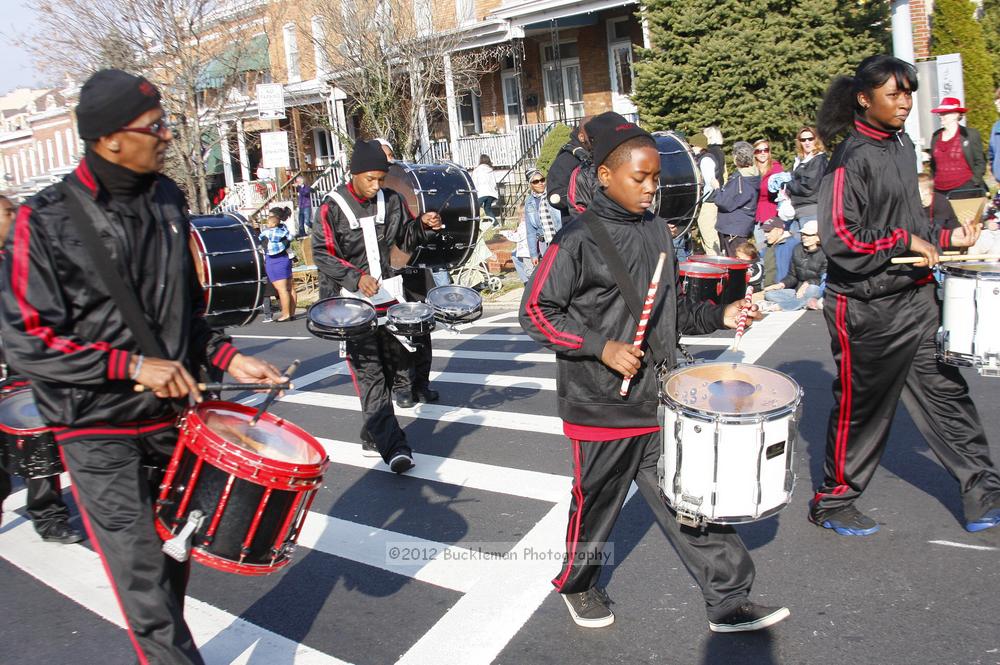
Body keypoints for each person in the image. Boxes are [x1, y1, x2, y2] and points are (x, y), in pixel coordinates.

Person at [0, 69, 285, 665]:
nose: (166, 137)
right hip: (95, 428)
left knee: (175, 560)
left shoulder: (168, 199)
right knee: (146, 587)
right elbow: (26, 343)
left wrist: (230, 357)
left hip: (173, 422)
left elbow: (183, 316)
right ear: (109, 140)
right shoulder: (43, 221)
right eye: (154, 128)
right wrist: (131, 365)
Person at [519, 111, 788, 633]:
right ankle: (579, 584)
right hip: (598, 401)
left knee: (689, 497)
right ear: (605, 176)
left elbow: (672, 312)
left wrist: (720, 315)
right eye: (639, 179)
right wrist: (600, 347)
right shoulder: (576, 239)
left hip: (658, 395)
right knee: (595, 504)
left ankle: (728, 599)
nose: (650, 189)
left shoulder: (659, 234)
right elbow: (536, 311)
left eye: (655, 180)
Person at [810, 55, 1000, 536]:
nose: (904, 103)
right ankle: (833, 502)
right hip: (864, 308)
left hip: (915, 299)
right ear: (864, 98)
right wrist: (902, 241)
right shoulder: (846, 158)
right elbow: (840, 239)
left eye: (908, 93)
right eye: (893, 94)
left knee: (948, 395)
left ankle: (984, 491)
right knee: (863, 411)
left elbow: (911, 222)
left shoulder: (901, 145)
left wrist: (945, 238)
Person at [312, 139, 442, 471]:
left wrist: (423, 227)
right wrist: (355, 278)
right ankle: (395, 449)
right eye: (370, 179)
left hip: (389, 299)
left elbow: (405, 240)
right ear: (354, 174)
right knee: (370, 375)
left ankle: (373, 434)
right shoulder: (331, 207)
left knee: (393, 369)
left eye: (381, 179)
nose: (376, 186)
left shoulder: (393, 200)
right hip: (352, 306)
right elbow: (323, 253)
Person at [0, 195, 83, 543]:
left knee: (38, 445)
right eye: (7, 212)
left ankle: (49, 517)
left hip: (26, 368)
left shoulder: (27, 258)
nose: (16, 216)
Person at [376, 138, 441, 407]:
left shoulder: (400, 191)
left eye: (391, 156)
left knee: (422, 327)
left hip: (412, 269)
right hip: (386, 274)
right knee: (396, 332)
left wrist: (425, 224)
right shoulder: (368, 197)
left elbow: (408, 232)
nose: (390, 162)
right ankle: (403, 385)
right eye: (384, 157)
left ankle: (422, 383)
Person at [773, 126, 828, 282]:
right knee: (794, 248)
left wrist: (788, 183)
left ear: (816, 139)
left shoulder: (819, 159)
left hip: (810, 210)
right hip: (797, 209)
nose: (807, 142)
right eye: (803, 139)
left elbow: (809, 186)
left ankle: (813, 286)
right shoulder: (801, 160)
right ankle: (788, 284)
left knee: (809, 248)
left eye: (810, 138)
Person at [929, 96, 987, 202]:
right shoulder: (936, 136)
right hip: (939, 191)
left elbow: (980, 162)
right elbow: (933, 165)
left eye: (945, 113)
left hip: (964, 189)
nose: (941, 116)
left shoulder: (970, 135)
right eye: (940, 113)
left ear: (956, 114)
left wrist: (974, 181)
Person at [761, 220, 826, 311]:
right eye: (803, 234)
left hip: (815, 288)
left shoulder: (825, 252)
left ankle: (783, 306)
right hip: (798, 290)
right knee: (769, 294)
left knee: (812, 289)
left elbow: (824, 278)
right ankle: (806, 302)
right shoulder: (798, 248)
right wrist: (781, 284)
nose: (804, 237)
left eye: (809, 235)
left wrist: (807, 283)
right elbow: (792, 275)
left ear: (818, 237)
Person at [714, 141, 761, 257]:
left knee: (736, 263)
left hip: (733, 229)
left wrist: (716, 188)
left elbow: (724, 202)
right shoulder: (754, 175)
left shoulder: (740, 180)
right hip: (741, 226)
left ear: (736, 158)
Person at [546, 120, 592, 222]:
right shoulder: (566, 160)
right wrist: (586, 190)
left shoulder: (600, 153)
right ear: (581, 137)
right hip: (578, 224)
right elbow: (554, 197)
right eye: (593, 135)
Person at [259, 206, 297, 322]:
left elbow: (265, 246)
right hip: (285, 259)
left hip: (276, 261)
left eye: (269, 216)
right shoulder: (283, 229)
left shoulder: (269, 233)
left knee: (282, 289)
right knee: (290, 288)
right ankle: (291, 313)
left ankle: (285, 314)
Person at [751, 139, 784, 264]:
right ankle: (762, 274)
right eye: (759, 151)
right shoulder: (752, 170)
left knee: (769, 246)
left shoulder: (776, 169)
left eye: (766, 150)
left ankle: (770, 275)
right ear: (754, 153)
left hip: (771, 212)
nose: (763, 153)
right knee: (760, 246)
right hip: (756, 214)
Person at [690, 132, 722, 255]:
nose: (692, 148)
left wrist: (700, 200)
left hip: (708, 203)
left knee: (709, 237)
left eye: (693, 145)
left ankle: (716, 263)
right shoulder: (702, 158)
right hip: (707, 203)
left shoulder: (706, 160)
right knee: (705, 236)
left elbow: (710, 184)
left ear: (700, 145)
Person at [522, 168, 562, 265]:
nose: (540, 183)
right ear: (531, 184)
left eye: (542, 180)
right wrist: (533, 254)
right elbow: (530, 231)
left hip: (560, 239)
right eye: (536, 181)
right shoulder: (529, 202)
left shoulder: (553, 195)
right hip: (544, 243)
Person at [472, 154, 499, 221]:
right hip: (491, 192)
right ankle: (496, 224)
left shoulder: (477, 170)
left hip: (482, 192)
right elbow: (494, 182)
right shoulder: (490, 170)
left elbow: (474, 182)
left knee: (475, 208)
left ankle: (475, 223)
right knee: (487, 209)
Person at [990, 88, 1000, 186]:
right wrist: (994, 170)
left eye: (999, 100)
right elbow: (991, 153)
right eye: (996, 101)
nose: (996, 103)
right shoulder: (996, 127)